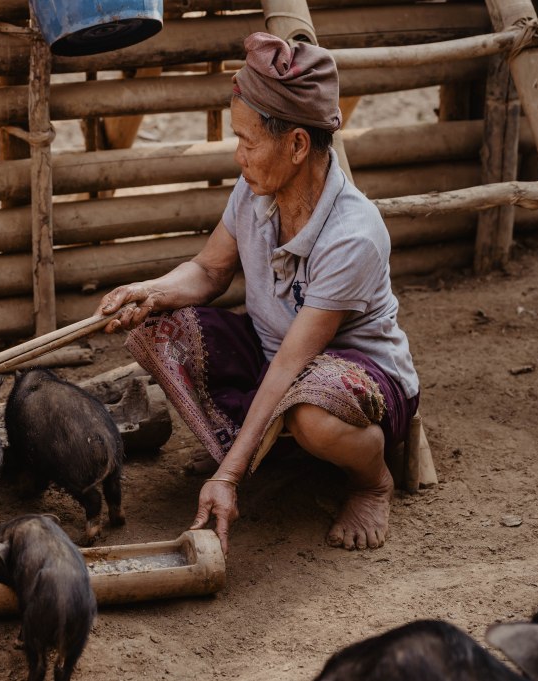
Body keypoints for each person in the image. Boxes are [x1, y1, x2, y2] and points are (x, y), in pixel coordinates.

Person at [98, 32, 419, 556]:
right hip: (277, 362)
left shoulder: (353, 235)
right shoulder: (255, 190)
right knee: (162, 328)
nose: (238, 156)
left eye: (248, 142)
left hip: (353, 382)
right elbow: (209, 270)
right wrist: (150, 292)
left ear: (297, 145)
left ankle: (371, 482)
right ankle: (255, 449)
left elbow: (294, 362)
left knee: (311, 414)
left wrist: (227, 476)